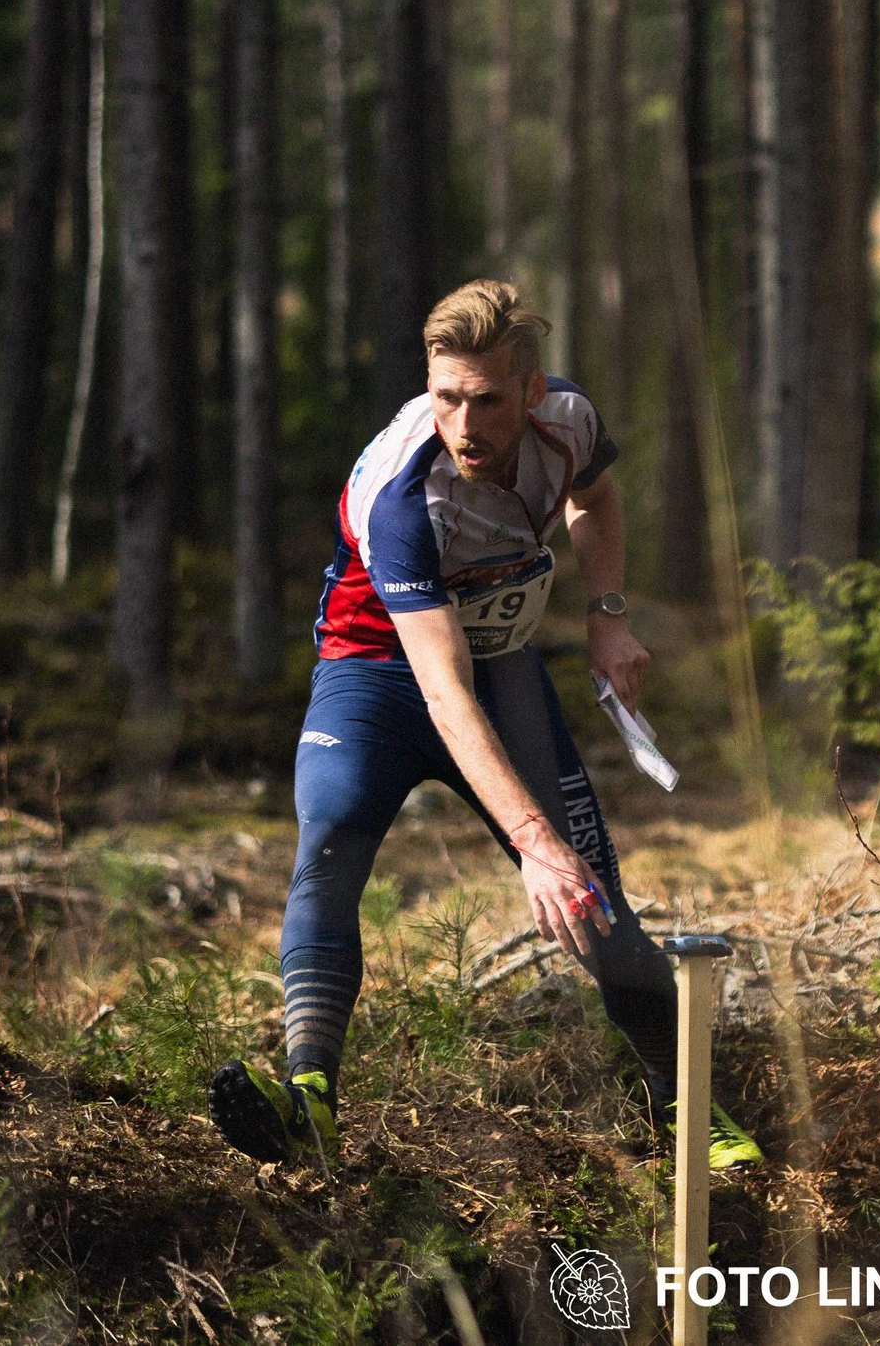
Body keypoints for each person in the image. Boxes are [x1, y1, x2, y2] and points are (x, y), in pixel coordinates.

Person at [211, 281, 742, 1167]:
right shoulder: (401, 494)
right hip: (378, 672)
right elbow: (443, 693)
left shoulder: (569, 421)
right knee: (330, 835)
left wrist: (608, 613)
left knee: (594, 905)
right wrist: (531, 840)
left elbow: (594, 500)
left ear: (532, 391)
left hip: (500, 665)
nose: (464, 424)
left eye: (488, 400)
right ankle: (309, 1099)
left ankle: (688, 1108)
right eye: (445, 397)